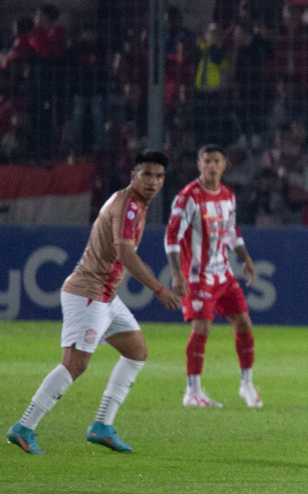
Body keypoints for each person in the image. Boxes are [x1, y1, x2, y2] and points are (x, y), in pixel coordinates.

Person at [7, 151, 181, 455]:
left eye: (159, 176)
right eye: (147, 174)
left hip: (105, 296)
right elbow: (125, 253)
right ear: (134, 175)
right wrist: (158, 289)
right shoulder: (128, 206)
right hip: (89, 293)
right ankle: (24, 427)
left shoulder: (133, 203)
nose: (153, 181)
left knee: (136, 351)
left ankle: (102, 426)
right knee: (74, 365)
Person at [165, 144, 262, 409]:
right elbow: (172, 235)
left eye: (216, 161)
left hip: (223, 273)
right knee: (202, 328)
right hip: (198, 276)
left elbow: (231, 231)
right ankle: (192, 391)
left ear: (224, 165)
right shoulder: (188, 197)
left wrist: (246, 259)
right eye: (206, 161)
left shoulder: (228, 195)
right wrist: (177, 273)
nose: (211, 165)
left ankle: (247, 384)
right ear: (199, 165)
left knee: (243, 322)